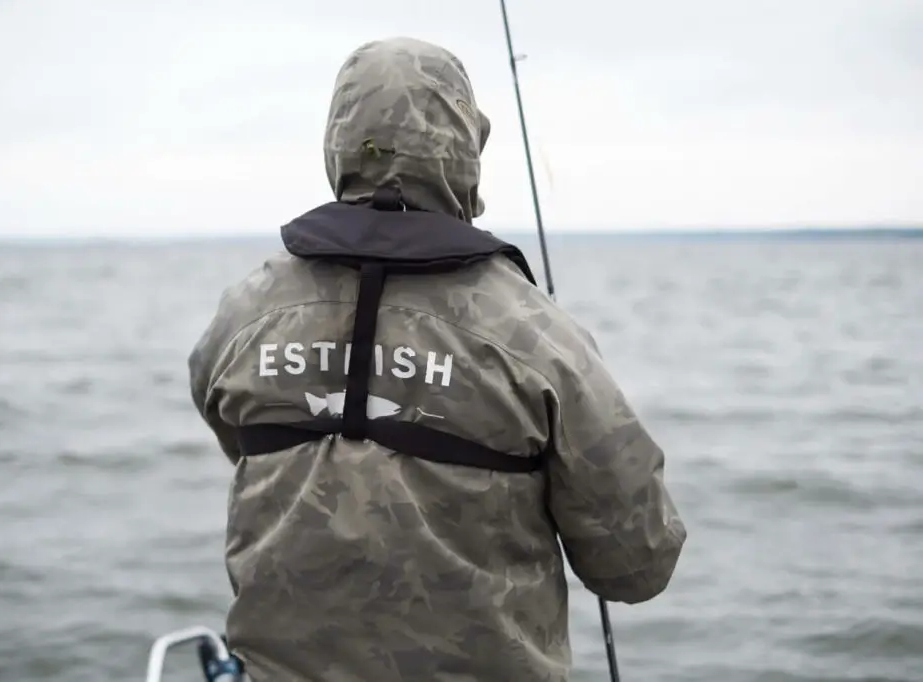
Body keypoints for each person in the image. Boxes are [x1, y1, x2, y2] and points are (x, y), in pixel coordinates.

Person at [188, 36, 686, 682]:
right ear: (461, 149)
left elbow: (227, 424)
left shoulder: (243, 314)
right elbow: (638, 563)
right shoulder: (539, 338)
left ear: (338, 143)